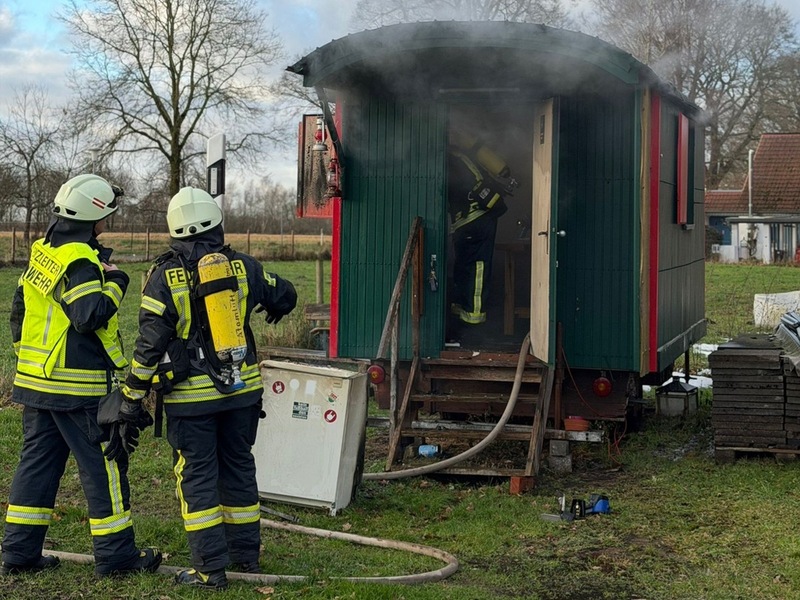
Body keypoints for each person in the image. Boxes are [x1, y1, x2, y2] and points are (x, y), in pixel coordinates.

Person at [122, 187, 297, 590]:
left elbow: (149, 344)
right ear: (217, 225)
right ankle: (246, 559)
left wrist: (132, 396)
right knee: (238, 467)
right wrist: (270, 305)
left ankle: (209, 570)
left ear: (174, 231)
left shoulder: (163, 276)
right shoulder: (243, 267)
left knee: (197, 477)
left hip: (190, 403)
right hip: (242, 394)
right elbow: (285, 294)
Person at [1, 174, 162, 577]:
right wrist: (117, 283)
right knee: (104, 467)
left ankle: (19, 555)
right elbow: (88, 315)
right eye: (107, 213)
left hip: (38, 384)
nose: (109, 220)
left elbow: (19, 313)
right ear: (94, 216)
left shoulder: (44, 252)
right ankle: (118, 558)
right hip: (77, 388)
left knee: (36, 467)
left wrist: (29, 365)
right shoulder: (79, 260)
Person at [447, 130, 516, 335]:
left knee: (470, 267)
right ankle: (468, 315)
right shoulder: (460, 158)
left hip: (469, 221)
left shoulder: (451, 160)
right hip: (475, 220)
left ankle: (468, 315)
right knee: (472, 266)